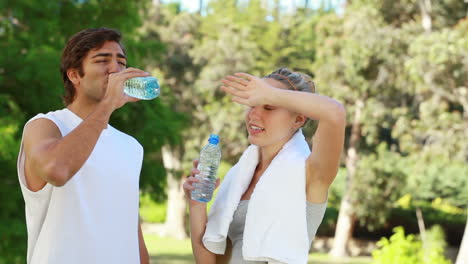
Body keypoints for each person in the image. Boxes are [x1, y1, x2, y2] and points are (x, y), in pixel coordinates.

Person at [183, 68, 346, 264]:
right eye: (253, 104)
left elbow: (335, 113)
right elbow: (209, 262)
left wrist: (272, 94)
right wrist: (196, 205)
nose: (254, 115)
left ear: (299, 119)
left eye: (269, 107)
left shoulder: (311, 173)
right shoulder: (239, 178)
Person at [17, 28, 150, 264]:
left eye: (121, 62)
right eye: (102, 60)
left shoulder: (132, 147)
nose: (115, 70)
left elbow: (130, 227)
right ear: (74, 76)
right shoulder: (46, 125)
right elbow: (56, 171)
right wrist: (109, 103)